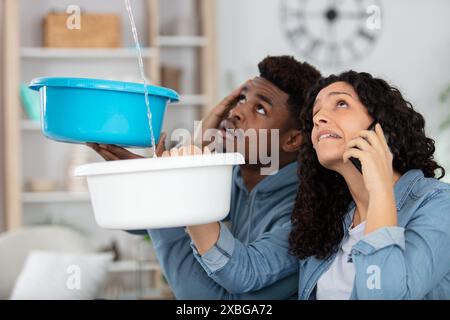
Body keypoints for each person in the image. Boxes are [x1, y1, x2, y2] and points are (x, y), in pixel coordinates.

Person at [88, 56, 321, 299]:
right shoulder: (235, 177)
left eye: (260, 108)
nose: (237, 111)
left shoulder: (307, 212)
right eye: (241, 98)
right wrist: (150, 179)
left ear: (293, 140)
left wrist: (172, 184)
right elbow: (138, 224)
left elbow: (226, 294)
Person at [288, 71, 450, 299]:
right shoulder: (327, 221)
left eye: (341, 103)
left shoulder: (440, 205)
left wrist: (381, 191)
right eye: (316, 112)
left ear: (380, 124)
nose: (319, 118)